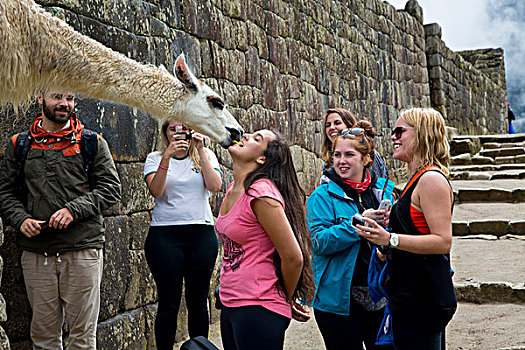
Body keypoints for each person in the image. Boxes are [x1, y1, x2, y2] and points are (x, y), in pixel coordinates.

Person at [0, 89, 122, 349]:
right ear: (39, 98)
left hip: (82, 250)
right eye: (57, 96)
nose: (64, 104)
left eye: (70, 98)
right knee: (43, 339)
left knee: (82, 338)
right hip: (37, 253)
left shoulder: (92, 142)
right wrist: (20, 219)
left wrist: (73, 210)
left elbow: (111, 188)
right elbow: (5, 192)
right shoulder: (19, 145)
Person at [355, 108, 457, 350]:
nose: (393, 137)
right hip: (409, 294)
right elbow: (415, 234)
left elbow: (443, 241)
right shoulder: (416, 179)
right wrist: (386, 248)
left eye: (400, 131)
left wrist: (390, 239)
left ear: (421, 134)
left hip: (423, 298)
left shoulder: (431, 180)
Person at [215, 130, 315, 350]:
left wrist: (283, 297)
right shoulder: (234, 189)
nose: (246, 135)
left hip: (259, 307)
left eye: (256, 138)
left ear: (262, 158)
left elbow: (293, 257)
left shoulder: (260, 193)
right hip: (231, 303)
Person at [306, 121, 396, 350]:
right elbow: (318, 242)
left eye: (349, 154)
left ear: (366, 159)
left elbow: (396, 238)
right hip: (337, 300)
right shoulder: (321, 196)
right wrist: (357, 223)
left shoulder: (384, 192)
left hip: (381, 294)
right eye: (336, 155)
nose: (341, 161)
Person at [143, 121, 222, 349]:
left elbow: (215, 186)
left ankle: (200, 347)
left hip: (201, 233)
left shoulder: (204, 154)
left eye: (184, 128)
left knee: (198, 300)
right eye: (173, 129)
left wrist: (199, 150)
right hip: (165, 235)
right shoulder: (155, 158)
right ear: (165, 133)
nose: (179, 134)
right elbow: (156, 191)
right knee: (169, 301)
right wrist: (167, 157)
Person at [322, 108, 389, 179]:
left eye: (337, 123)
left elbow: (378, 186)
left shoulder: (367, 154)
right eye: (328, 125)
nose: (332, 127)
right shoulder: (328, 162)